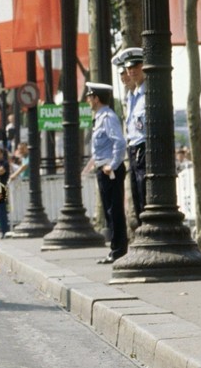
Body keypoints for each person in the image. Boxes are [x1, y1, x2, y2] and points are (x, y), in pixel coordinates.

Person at [82, 82, 128, 264]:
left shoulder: (107, 117)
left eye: (89, 96)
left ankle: (119, 250)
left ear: (96, 98)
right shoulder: (100, 117)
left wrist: (113, 164)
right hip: (104, 168)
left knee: (114, 210)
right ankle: (116, 249)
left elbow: (119, 142)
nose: (87, 100)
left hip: (110, 170)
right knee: (110, 211)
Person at [119, 47, 146, 223]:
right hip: (134, 147)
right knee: (136, 190)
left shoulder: (148, 92)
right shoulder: (133, 97)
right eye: (129, 68)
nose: (132, 71)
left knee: (144, 187)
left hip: (145, 146)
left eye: (136, 66)